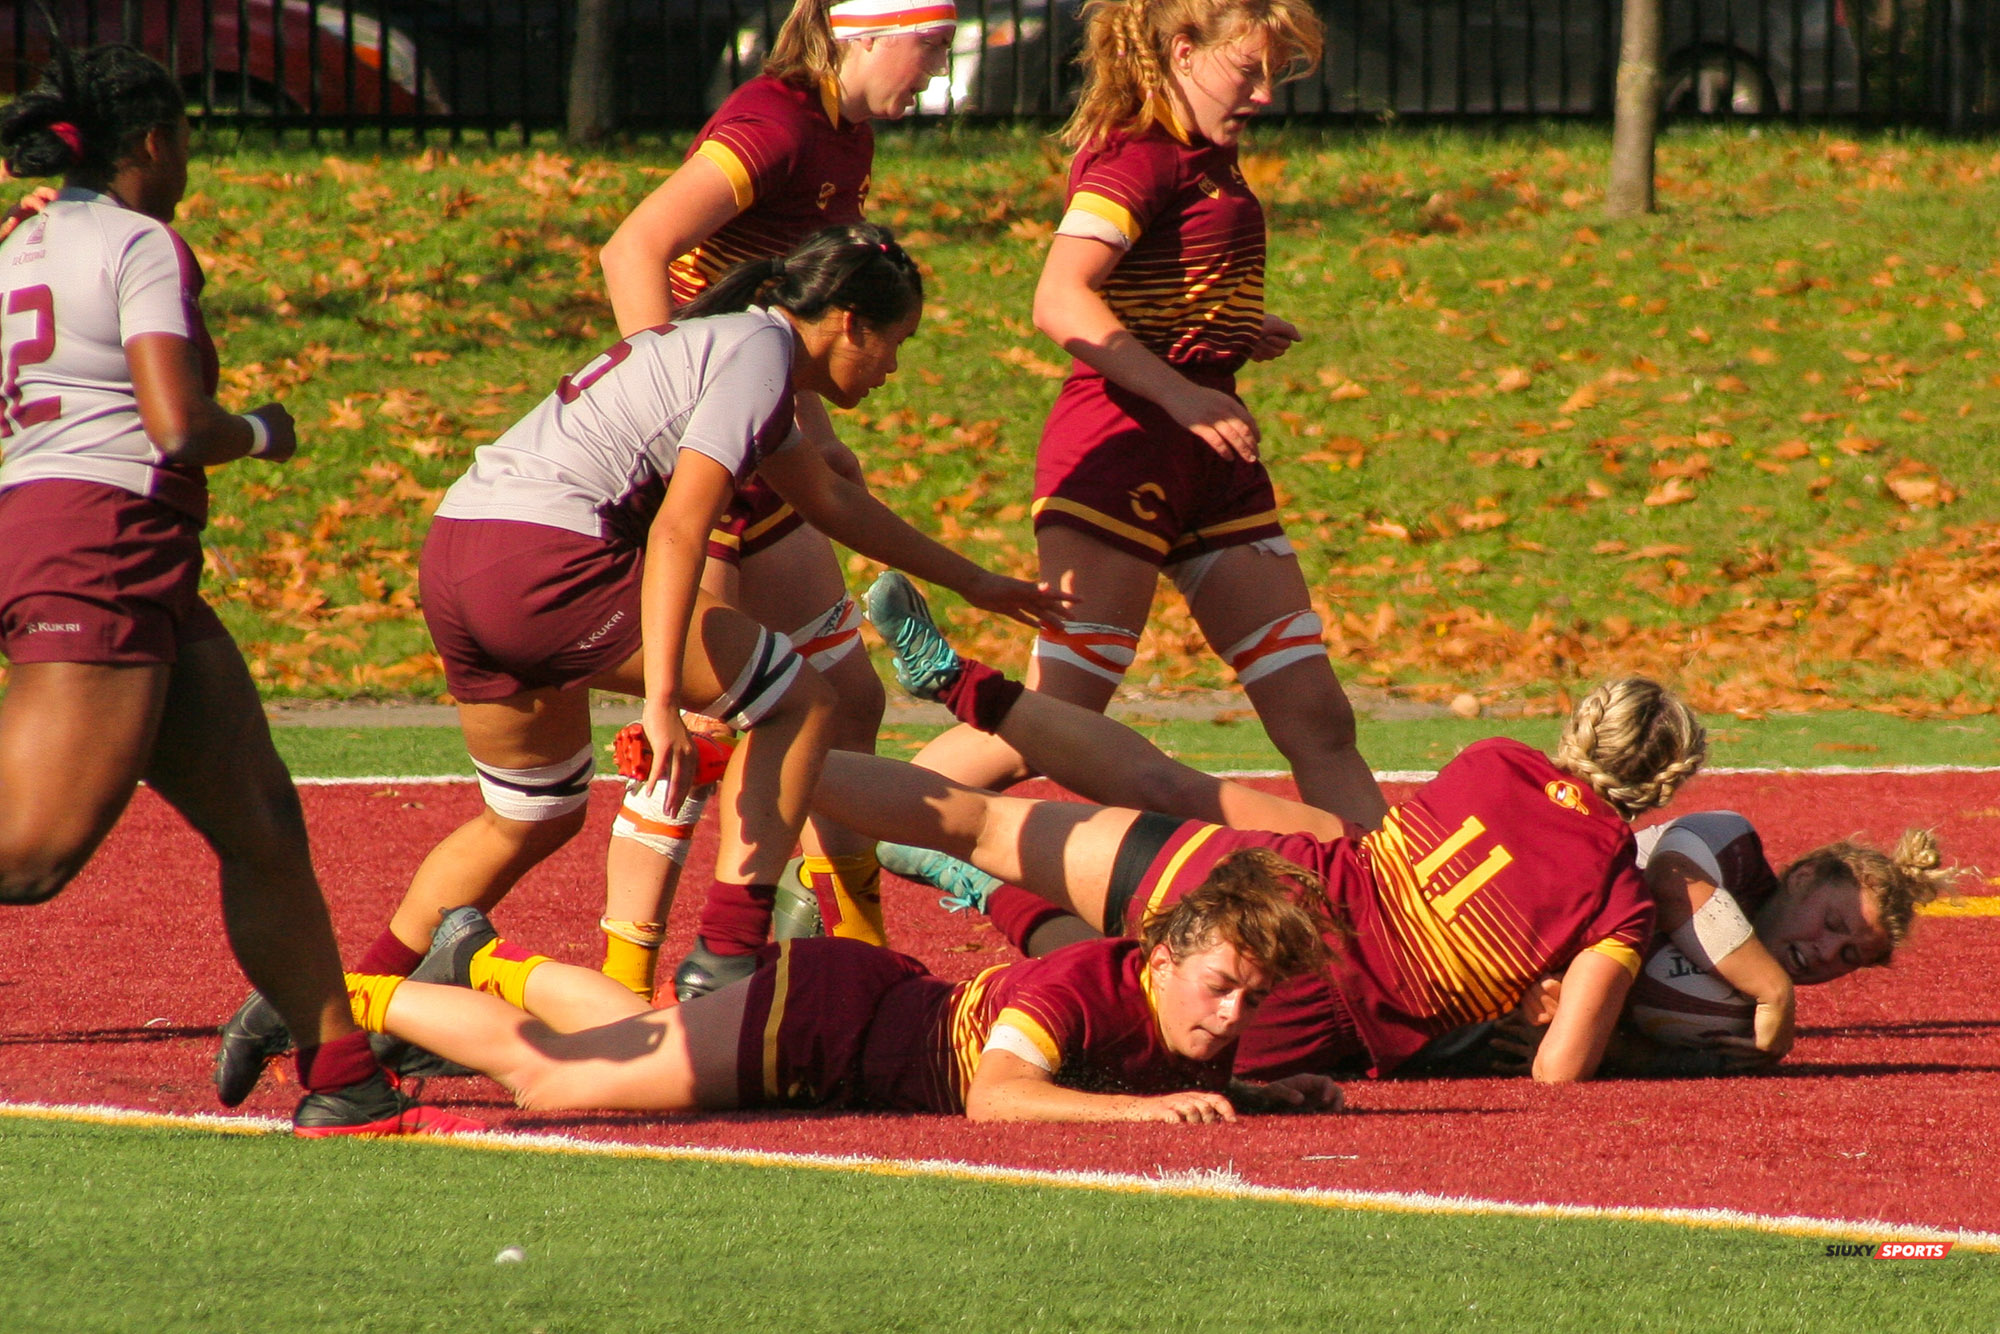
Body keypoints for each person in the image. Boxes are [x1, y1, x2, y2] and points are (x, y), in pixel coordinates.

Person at [215, 224, 978, 1090]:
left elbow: (832, 502)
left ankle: (333, 1010)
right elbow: (681, 526)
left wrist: (980, 584)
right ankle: (726, 958)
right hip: (541, 559)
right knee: (803, 702)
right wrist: (661, 701)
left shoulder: (732, 348)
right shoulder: (757, 357)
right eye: (897, 342)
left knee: (531, 817)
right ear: (849, 321)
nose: (893, 367)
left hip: (460, 549)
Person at [0, 42, 475, 1135]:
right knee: (31, 856)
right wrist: (264, 431)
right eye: (184, 143)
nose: (186, 166)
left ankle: (343, 1075)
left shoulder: (26, 240)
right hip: (103, 537)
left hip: (90, 535)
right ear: (152, 140)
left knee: (261, 819)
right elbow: (176, 424)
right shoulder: (139, 241)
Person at [597, 0, 1070, 999]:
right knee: (703, 726)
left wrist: (814, 432)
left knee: (847, 701)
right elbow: (632, 249)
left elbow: (794, 310)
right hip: (711, 447)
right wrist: (669, 399)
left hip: (761, 438)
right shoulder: (773, 122)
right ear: (864, 34)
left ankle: (852, 953)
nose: (934, 70)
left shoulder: (844, 134)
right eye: (927, 46)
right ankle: (626, 982)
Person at [813, 574, 1707, 1083]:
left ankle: (816, 737)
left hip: (1280, 869)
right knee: (1116, 984)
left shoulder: (1496, 759)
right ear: (1662, 786)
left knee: (1015, 813)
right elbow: (1558, 1069)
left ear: (1582, 727)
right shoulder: (1620, 899)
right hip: (1305, 988)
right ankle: (991, 891)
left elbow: (1403, 860)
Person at [892, 0, 1388, 850]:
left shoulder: (1207, 155)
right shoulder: (1138, 156)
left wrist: (1224, 331)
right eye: (1249, 71)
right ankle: (843, 836)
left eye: (1274, 74)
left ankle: (1393, 900)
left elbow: (1158, 284)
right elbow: (1059, 298)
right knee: (1059, 715)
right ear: (1183, 52)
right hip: (1123, 450)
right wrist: (1182, 393)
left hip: (1211, 459)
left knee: (1316, 715)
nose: (1264, 94)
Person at [341, 852, 1342, 1122]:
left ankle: (484, 960)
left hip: (854, 1016)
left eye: (1251, 1000)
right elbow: (998, 1097)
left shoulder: (1186, 1010)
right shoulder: (1088, 980)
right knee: (553, 1080)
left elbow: (1143, 1077)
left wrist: (1258, 1093)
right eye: (1220, 987)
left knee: (641, 1033)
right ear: (1161, 960)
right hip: (824, 1025)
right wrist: (1148, 1113)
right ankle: (343, 998)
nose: (1230, 1015)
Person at [1491, 813, 1953, 1078]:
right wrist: (1775, 990)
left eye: (1849, 956)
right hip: (1491, 920)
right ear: (1804, 876)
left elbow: (1631, 1055)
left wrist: (1600, 1039)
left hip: (1493, 1015)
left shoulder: (1745, 1023)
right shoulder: (1735, 847)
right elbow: (1670, 882)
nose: (1826, 953)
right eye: (1832, 923)